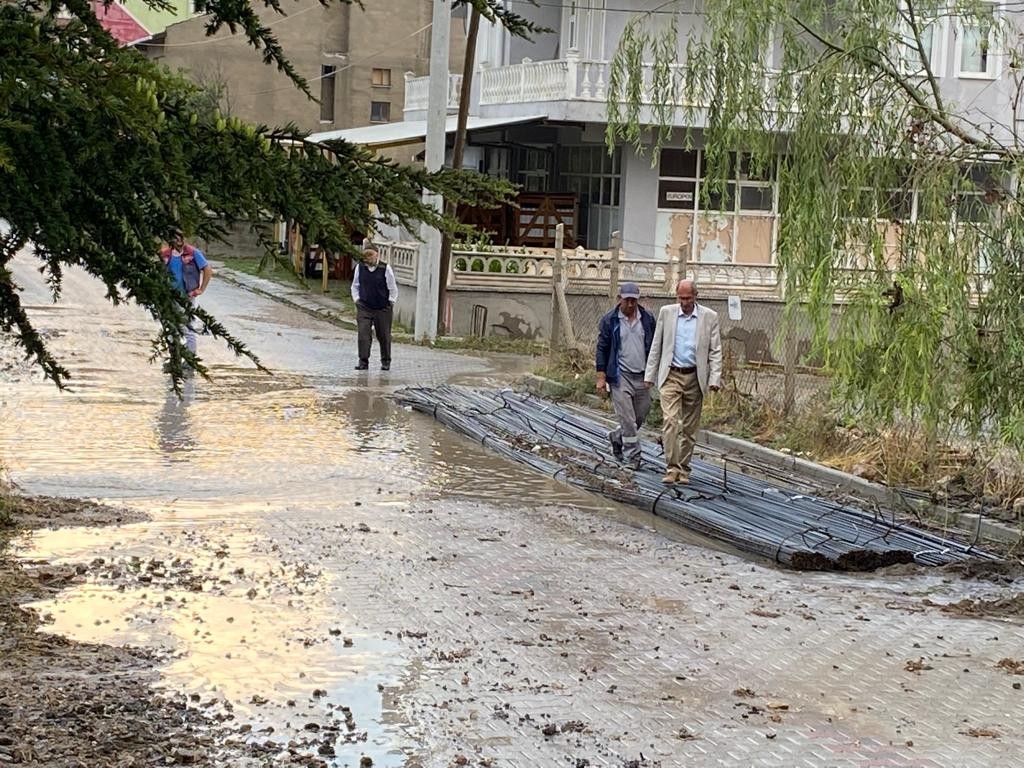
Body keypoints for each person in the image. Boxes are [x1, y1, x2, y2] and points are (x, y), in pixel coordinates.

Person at [644, 279, 722, 485]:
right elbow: (656, 345)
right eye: (681, 298)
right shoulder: (667, 313)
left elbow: (715, 351)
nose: (684, 302)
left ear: (696, 296)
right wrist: (649, 375)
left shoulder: (709, 317)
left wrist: (714, 378)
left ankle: (684, 469)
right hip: (671, 374)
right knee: (670, 421)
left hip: (695, 377)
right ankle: (671, 467)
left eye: (688, 298)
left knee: (689, 428)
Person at [595, 282, 657, 468]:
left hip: (642, 376)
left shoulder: (647, 319)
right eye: (627, 300)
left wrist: (654, 372)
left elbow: (654, 346)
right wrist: (601, 377)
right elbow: (602, 348)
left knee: (640, 415)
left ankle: (617, 437)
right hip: (620, 376)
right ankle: (634, 458)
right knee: (628, 420)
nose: (630, 304)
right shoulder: (610, 320)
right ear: (619, 299)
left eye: (633, 300)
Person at [160, 229, 213, 356]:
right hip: (170, 296)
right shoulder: (166, 254)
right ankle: (175, 357)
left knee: (188, 327)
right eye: (176, 238)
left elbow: (207, 269)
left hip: (187, 296)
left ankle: (190, 359)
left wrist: (201, 289)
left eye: (181, 237)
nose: (179, 241)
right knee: (171, 327)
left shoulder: (192, 253)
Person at [351, 247, 397, 371]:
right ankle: (363, 361)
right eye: (365, 256)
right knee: (363, 334)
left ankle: (386, 361)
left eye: (370, 255)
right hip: (364, 306)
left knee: (383, 335)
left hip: (382, 308)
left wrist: (391, 302)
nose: (368, 258)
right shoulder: (360, 267)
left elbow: (392, 288)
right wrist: (356, 299)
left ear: (377, 255)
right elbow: (355, 285)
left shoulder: (385, 269)